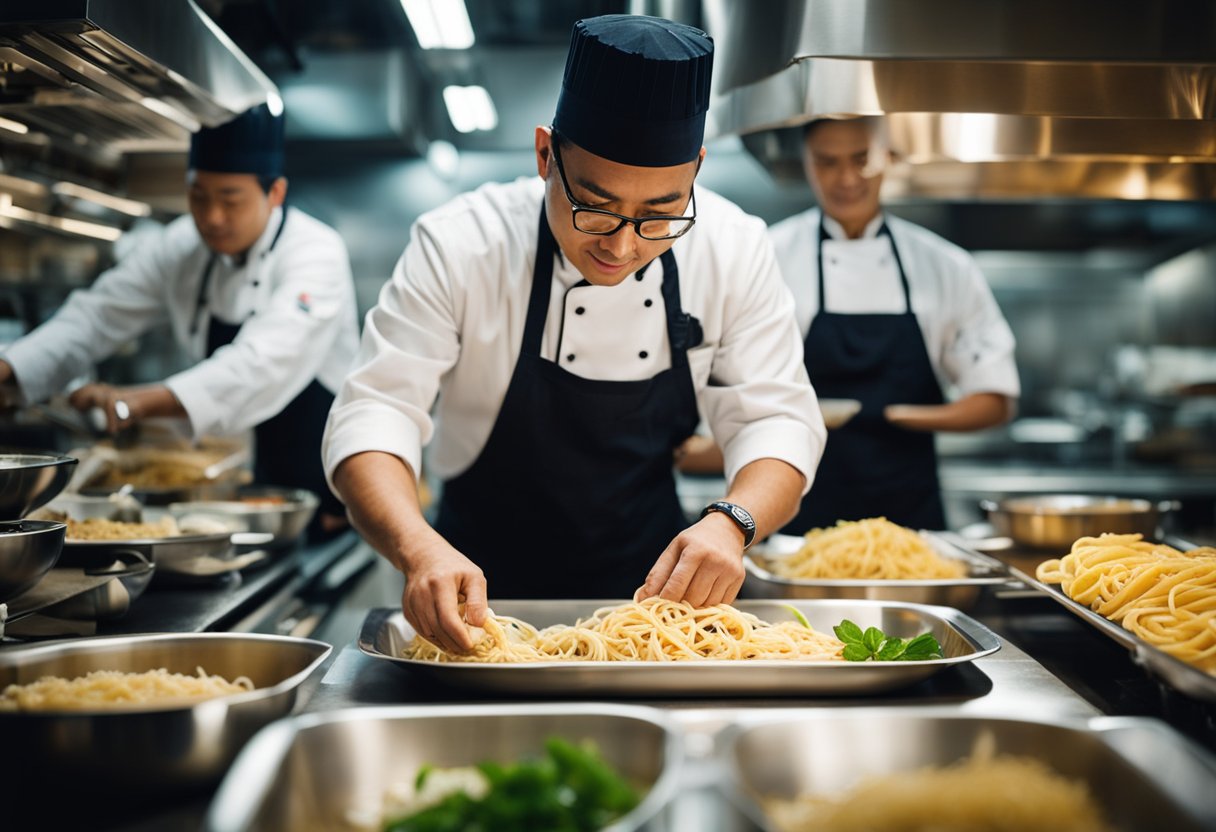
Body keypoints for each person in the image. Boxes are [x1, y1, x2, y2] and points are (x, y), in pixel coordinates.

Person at [324, 14, 825, 653]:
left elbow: (779, 419)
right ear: (544, 156)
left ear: (696, 170)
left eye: (660, 215)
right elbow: (374, 413)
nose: (621, 246)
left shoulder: (734, 247)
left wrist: (733, 523)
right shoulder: (461, 244)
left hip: (657, 614)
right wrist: (416, 547)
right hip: (476, 609)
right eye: (595, 207)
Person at [0, 104, 360, 540]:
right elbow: (96, 315)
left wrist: (133, 402)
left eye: (230, 199)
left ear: (275, 193)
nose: (211, 217)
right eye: (198, 195)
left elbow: (260, 364)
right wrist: (12, 368)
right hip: (234, 485)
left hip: (315, 494)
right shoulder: (181, 247)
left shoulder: (315, 252)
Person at [770, 116, 1019, 532]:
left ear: (889, 156)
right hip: (798, 512)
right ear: (807, 164)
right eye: (827, 162)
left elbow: (995, 399)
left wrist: (900, 417)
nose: (846, 177)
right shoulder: (770, 255)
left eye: (861, 159)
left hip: (910, 518)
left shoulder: (944, 264)